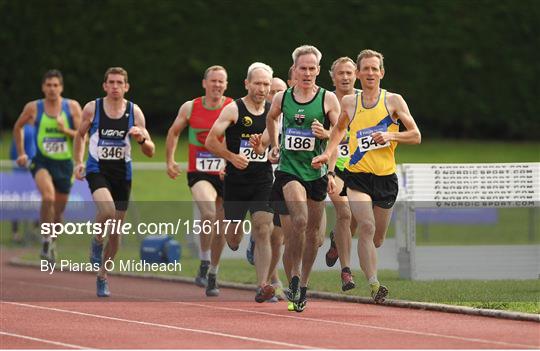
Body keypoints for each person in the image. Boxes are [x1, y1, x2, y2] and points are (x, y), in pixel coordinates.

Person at [312, 49, 421, 303]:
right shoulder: (350, 103)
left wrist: (391, 135)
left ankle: (340, 241)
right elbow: (338, 132)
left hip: (385, 177)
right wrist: (328, 159)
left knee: (378, 238)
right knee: (366, 226)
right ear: (359, 74)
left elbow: (416, 135)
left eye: (375, 69)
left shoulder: (393, 101)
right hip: (357, 176)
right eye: (366, 69)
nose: (370, 73)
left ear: (381, 73)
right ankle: (374, 285)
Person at [264, 45, 340, 312]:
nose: (307, 73)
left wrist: (326, 137)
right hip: (288, 170)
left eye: (311, 68)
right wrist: (274, 145)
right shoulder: (282, 98)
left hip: (316, 173)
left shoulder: (327, 99)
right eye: (302, 68)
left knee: (313, 236)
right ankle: (293, 277)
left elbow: (340, 131)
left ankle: (303, 285)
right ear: (293, 71)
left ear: (318, 70)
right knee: (299, 220)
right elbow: (271, 119)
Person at [73, 67, 155, 297]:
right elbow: (80, 135)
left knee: (117, 233)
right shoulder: (93, 108)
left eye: (120, 82)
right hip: (96, 168)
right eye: (112, 82)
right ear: (105, 85)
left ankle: (102, 276)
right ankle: (97, 240)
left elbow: (150, 150)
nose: (116, 86)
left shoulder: (134, 112)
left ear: (126, 86)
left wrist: (142, 138)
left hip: (122, 174)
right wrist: (78, 162)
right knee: (107, 211)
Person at [205, 62, 275, 302]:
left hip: (262, 179)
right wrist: (231, 157)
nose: (262, 88)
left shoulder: (273, 111)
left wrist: (268, 148)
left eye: (266, 84)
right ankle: (215, 269)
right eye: (257, 83)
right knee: (231, 239)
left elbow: (274, 143)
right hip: (236, 181)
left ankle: (262, 285)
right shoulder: (233, 109)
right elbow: (211, 141)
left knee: (264, 228)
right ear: (247, 84)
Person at [166, 66, 232, 288]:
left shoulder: (233, 107)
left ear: (226, 84)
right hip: (200, 172)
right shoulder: (190, 107)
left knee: (222, 225)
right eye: (213, 81)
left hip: (226, 173)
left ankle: (213, 270)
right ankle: (204, 261)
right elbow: (174, 132)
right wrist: (170, 160)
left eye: (221, 81)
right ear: (205, 83)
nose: (217, 85)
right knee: (208, 213)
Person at [13, 69, 82, 261]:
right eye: (49, 85)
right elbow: (18, 126)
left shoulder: (72, 107)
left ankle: (52, 240)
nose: (52, 89)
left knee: (58, 214)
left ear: (61, 88)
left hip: (65, 164)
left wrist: (64, 129)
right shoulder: (33, 108)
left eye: (56, 85)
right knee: (48, 196)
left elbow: (82, 134)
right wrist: (21, 153)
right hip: (42, 161)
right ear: (43, 87)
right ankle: (45, 239)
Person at [246, 76, 288, 302]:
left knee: (279, 237)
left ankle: (273, 278)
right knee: (268, 230)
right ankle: (273, 281)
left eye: (281, 92)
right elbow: (257, 147)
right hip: (264, 181)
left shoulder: (295, 117)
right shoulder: (262, 119)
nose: (276, 96)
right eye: (273, 92)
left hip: (287, 180)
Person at [324, 57, 360, 291]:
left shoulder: (365, 100)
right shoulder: (325, 100)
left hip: (360, 168)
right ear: (332, 76)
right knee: (345, 213)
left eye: (349, 73)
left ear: (355, 74)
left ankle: (337, 239)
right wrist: (331, 134)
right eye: (340, 73)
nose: (345, 77)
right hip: (333, 167)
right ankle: (346, 272)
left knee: (356, 218)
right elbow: (316, 131)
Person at [9, 124, 38, 243]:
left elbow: (12, 153)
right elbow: (32, 153)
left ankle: (16, 233)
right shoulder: (33, 130)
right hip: (29, 173)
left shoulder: (19, 129)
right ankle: (33, 231)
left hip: (17, 172)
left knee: (17, 204)